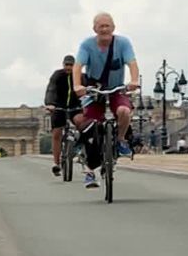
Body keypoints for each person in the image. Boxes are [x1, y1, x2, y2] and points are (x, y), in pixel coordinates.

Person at [72, 12, 140, 188]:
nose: (104, 29)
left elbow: (132, 63)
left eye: (107, 26)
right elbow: (77, 66)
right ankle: (89, 170)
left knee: (124, 111)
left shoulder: (123, 43)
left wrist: (134, 81)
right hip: (95, 90)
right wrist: (77, 86)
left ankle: (120, 139)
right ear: (94, 29)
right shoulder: (87, 45)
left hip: (116, 89)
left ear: (113, 27)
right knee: (90, 127)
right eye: (100, 26)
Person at [44, 55, 83, 176]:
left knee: (83, 124)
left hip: (75, 107)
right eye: (66, 65)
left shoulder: (80, 76)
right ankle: (56, 163)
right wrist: (50, 103)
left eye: (71, 65)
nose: (68, 67)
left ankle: (82, 150)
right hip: (58, 106)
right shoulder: (57, 75)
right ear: (63, 65)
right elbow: (51, 89)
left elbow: (86, 90)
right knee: (57, 133)